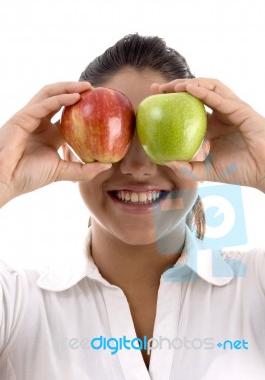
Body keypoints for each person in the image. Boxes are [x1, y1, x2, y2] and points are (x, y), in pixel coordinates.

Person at [0, 34, 264, 380]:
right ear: (70, 148)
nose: (137, 167)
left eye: (160, 135)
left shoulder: (255, 286)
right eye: (119, 134)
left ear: (202, 148)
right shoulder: (16, 304)